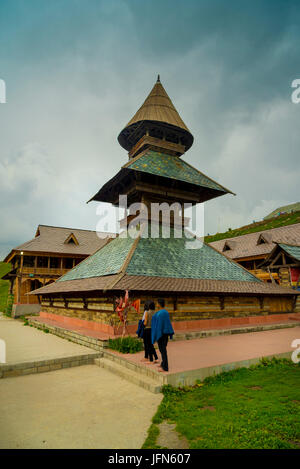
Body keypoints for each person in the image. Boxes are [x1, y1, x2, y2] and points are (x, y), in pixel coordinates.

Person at [151, 298, 174, 372]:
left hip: (161, 334)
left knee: (163, 350)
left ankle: (165, 367)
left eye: (157, 303)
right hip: (165, 333)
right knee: (162, 350)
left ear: (159, 304)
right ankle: (163, 363)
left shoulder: (160, 314)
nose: (156, 304)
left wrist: (156, 335)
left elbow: (159, 326)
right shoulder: (165, 312)